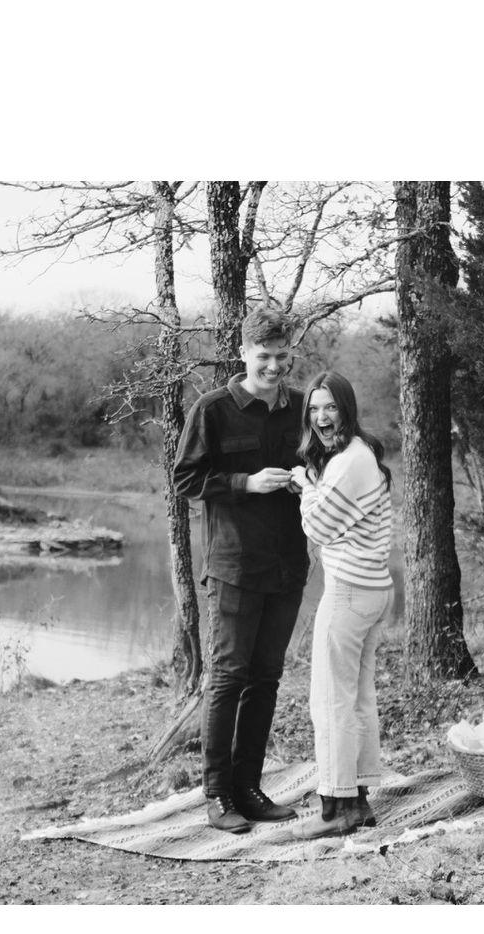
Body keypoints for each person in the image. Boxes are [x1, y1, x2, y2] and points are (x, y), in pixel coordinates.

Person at [172, 306, 309, 834]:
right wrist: (245, 484)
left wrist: (307, 479)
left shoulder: (303, 408)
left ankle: (250, 789)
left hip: (288, 566)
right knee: (228, 677)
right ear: (244, 353)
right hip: (233, 566)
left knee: (266, 678)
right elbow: (185, 480)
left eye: (282, 356)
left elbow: (325, 463)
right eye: (264, 356)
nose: (274, 366)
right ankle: (217, 794)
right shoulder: (212, 410)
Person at [290, 371, 394, 839]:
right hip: (374, 590)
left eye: (330, 407)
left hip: (350, 593)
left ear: (346, 409)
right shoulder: (360, 453)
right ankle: (360, 799)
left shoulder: (349, 461)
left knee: (330, 702)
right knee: (357, 698)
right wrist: (315, 481)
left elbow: (317, 528)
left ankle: (335, 809)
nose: (321, 417)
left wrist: (304, 485)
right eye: (314, 409)